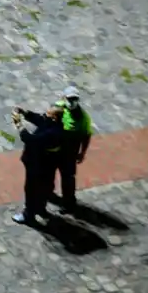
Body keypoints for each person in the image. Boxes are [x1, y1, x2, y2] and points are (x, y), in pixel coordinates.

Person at [12, 104, 65, 225]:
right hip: (46, 163)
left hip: (39, 164)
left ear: (54, 118)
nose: (45, 114)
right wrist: (25, 113)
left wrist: (19, 125)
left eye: (48, 114)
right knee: (44, 188)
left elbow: (30, 140)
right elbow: (40, 119)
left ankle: (28, 215)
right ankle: (41, 209)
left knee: (32, 189)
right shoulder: (55, 124)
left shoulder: (52, 133)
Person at [51, 85, 95, 214]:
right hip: (55, 149)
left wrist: (82, 152)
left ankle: (68, 203)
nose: (72, 102)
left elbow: (86, 136)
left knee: (68, 178)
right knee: (49, 172)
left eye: (74, 99)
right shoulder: (58, 106)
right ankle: (48, 192)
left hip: (69, 152)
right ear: (64, 98)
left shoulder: (83, 118)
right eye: (69, 99)